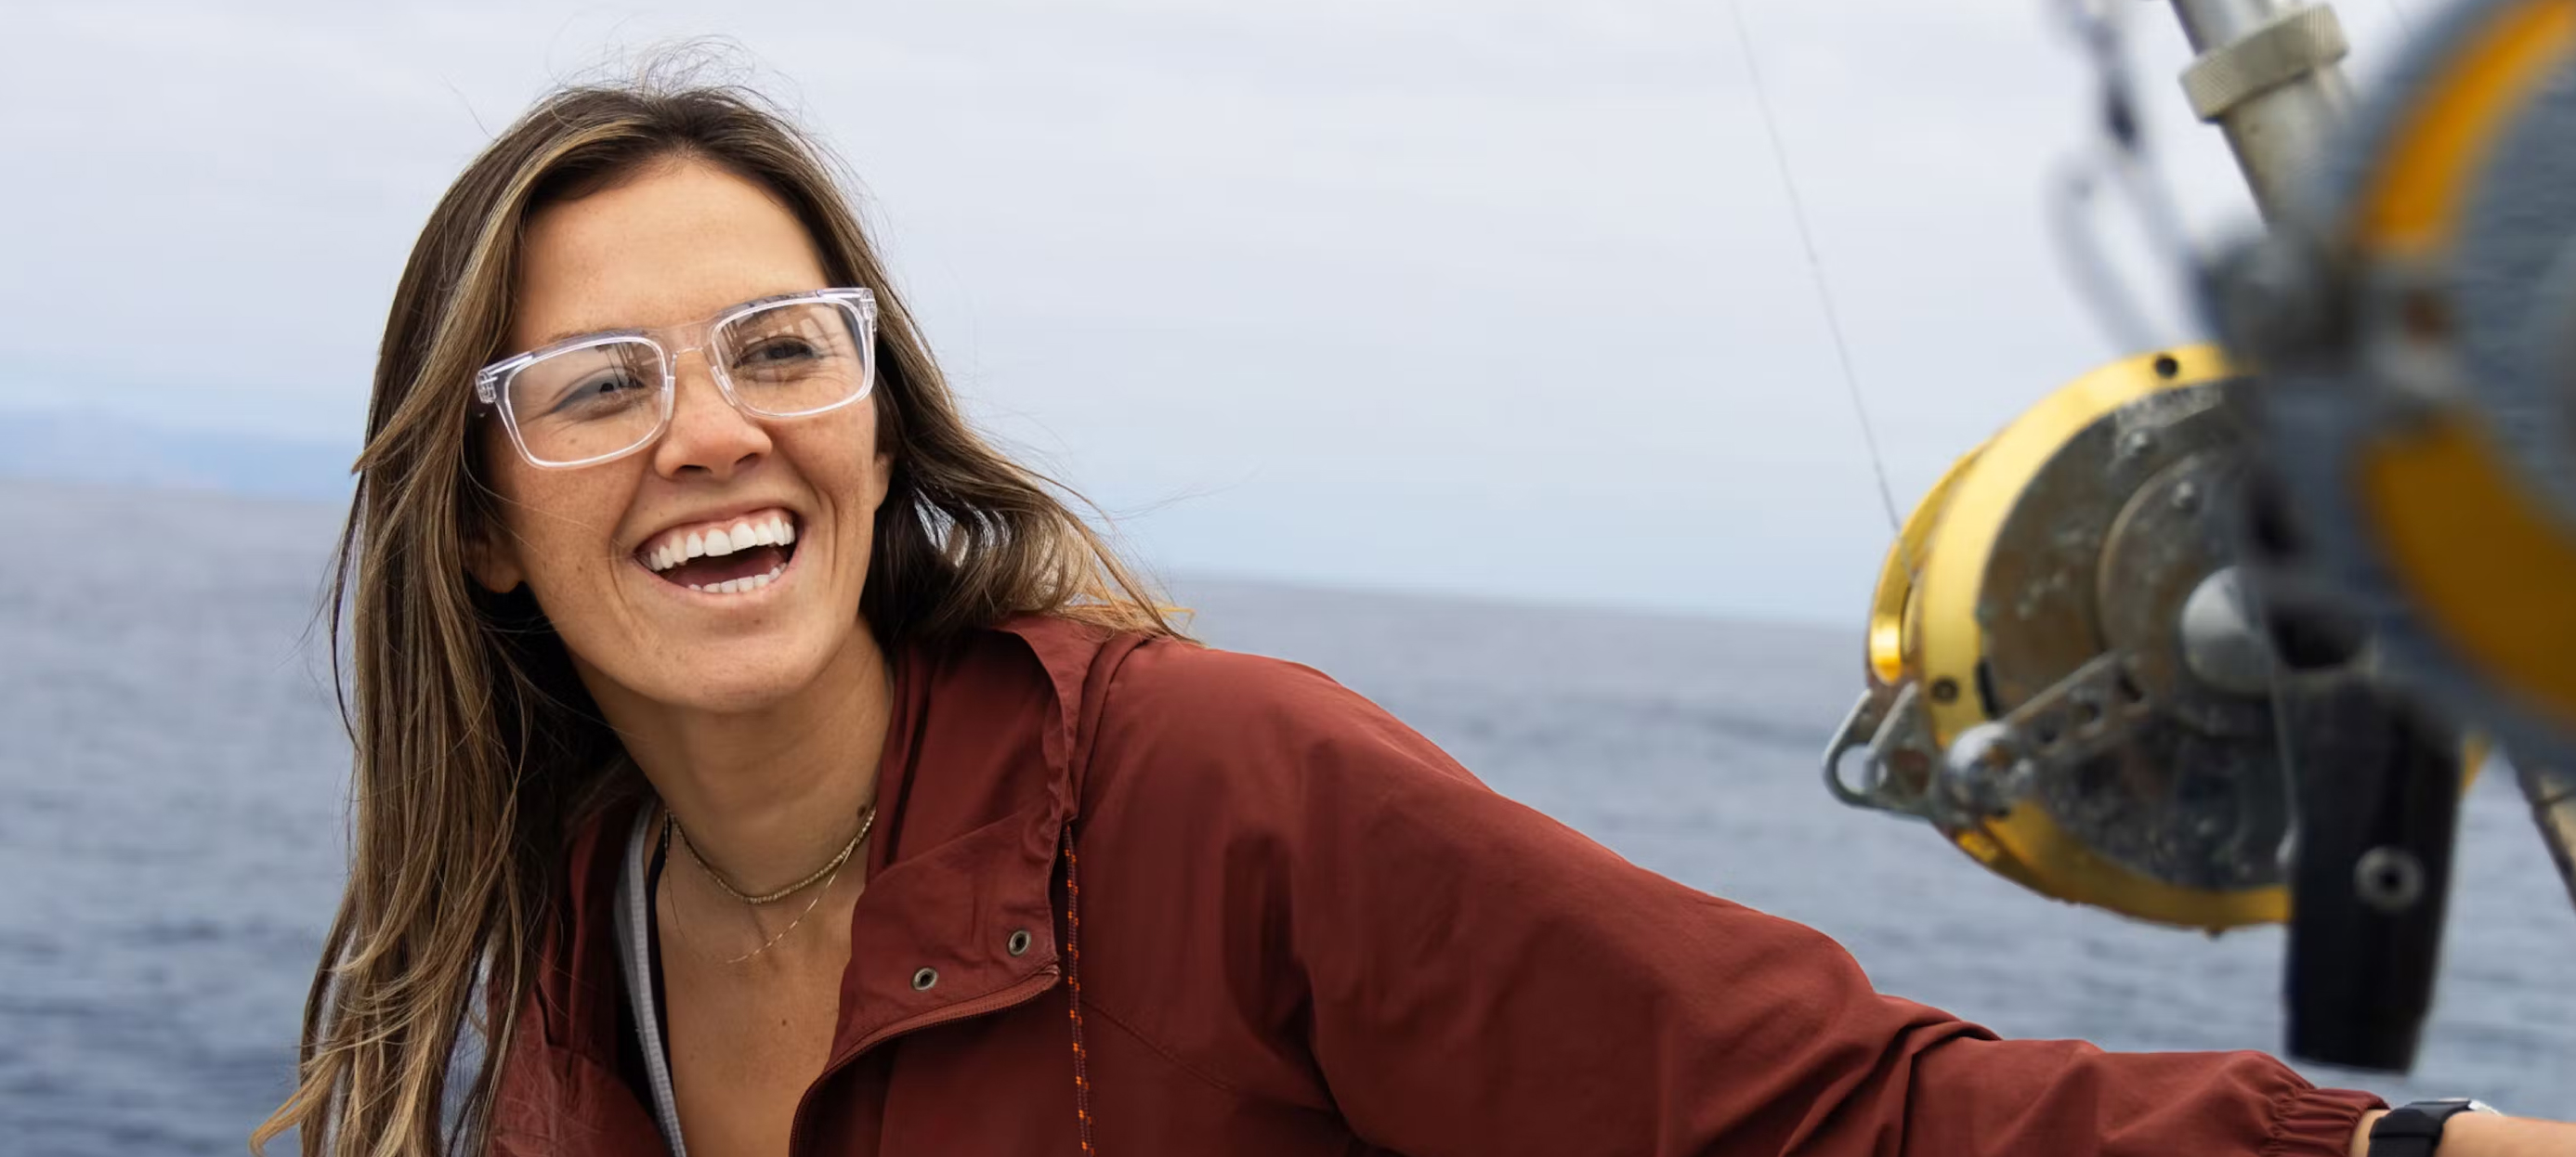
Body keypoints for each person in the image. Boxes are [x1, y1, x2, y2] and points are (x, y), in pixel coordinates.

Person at [254, 77, 2575, 1157]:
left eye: (782, 350)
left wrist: (2401, 1150)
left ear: (874, 418)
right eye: (597, 389)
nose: (717, 434)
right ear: (479, 520)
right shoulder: (575, 916)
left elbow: (1837, 1113)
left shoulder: (1205, 790)